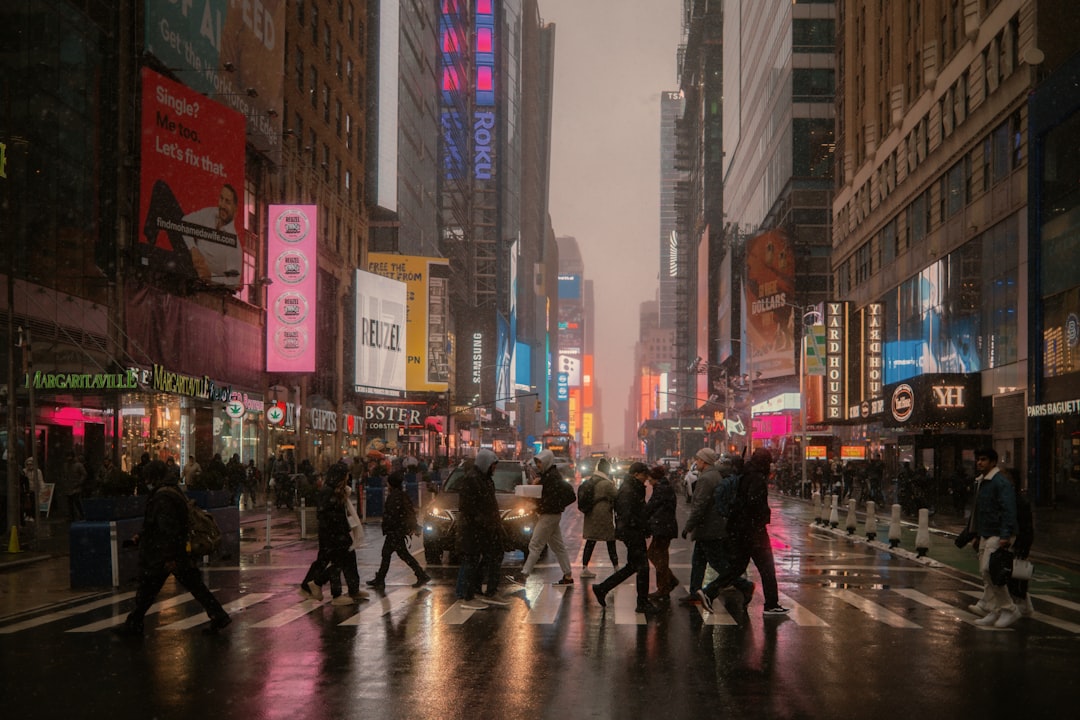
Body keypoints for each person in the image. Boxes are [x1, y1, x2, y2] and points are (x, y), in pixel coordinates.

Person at [113, 460, 230, 636]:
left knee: (150, 589)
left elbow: (167, 528)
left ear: (154, 477)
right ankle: (218, 615)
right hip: (173, 551)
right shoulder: (172, 490)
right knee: (191, 586)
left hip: (165, 553)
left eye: (148, 477)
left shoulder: (163, 496)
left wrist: (170, 557)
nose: (146, 482)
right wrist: (142, 536)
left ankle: (134, 623)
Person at [701, 448, 789, 615]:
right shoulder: (756, 478)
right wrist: (761, 518)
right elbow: (753, 503)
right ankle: (771, 604)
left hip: (741, 530)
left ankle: (709, 592)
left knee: (736, 568)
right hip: (753, 531)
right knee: (767, 568)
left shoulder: (746, 473)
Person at [964, 448, 1021, 628]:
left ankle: (1009, 609)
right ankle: (995, 610)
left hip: (997, 533)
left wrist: (1005, 535)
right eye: (978, 459)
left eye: (983, 460)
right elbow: (980, 511)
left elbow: (1008, 509)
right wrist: (976, 534)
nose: (979, 463)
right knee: (985, 572)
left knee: (992, 571)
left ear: (993, 462)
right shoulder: (982, 482)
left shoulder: (999, 483)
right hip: (986, 533)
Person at [299, 463, 368, 605]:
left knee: (348, 560)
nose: (347, 477)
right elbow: (325, 514)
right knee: (336, 563)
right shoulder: (328, 492)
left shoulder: (337, 491)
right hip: (333, 535)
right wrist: (338, 528)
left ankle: (353, 589)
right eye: (345, 475)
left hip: (340, 532)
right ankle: (327, 590)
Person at [592, 461, 654, 614]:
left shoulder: (633, 487)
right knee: (643, 568)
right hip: (632, 533)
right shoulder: (629, 490)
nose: (646, 479)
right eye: (644, 475)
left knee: (633, 566)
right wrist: (639, 528)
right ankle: (642, 603)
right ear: (636, 474)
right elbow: (627, 514)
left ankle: (602, 588)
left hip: (632, 531)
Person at [507, 449, 574, 586]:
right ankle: (568, 576)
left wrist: (538, 501)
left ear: (547, 462)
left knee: (535, 545)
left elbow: (547, 498)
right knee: (558, 547)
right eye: (537, 463)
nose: (538, 466)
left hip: (549, 515)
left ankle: (524, 575)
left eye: (540, 463)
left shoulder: (551, 478)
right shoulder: (549, 476)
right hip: (552, 514)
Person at [451, 450, 508, 609]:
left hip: (486, 527)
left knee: (489, 557)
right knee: (470, 560)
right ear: (486, 464)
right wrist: (484, 522)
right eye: (493, 466)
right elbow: (470, 507)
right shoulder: (472, 480)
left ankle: (482, 591)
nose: (494, 469)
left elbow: (488, 505)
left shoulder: (484, 479)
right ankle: (465, 595)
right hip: (474, 529)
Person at [678, 448, 731, 605]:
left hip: (708, 528)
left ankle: (744, 585)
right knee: (698, 562)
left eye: (699, 460)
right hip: (709, 527)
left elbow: (699, 506)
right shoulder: (714, 475)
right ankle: (695, 592)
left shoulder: (706, 479)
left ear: (704, 461)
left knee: (716, 563)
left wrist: (688, 527)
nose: (696, 462)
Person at [368, 468, 431, 590]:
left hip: (395, 532)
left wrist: (391, 527)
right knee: (394, 554)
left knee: (394, 554)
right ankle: (381, 578)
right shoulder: (400, 495)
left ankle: (420, 575)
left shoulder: (395, 497)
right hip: (397, 531)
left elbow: (394, 515)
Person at [578, 458, 619, 579]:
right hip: (603, 515)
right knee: (610, 540)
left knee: (590, 541)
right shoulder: (607, 484)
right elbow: (617, 495)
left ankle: (584, 567)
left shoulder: (591, 480)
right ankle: (616, 567)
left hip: (591, 514)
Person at [645, 464, 679, 599]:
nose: (649, 482)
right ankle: (668, 581)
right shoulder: (665, 487)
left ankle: (664, 586)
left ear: (655, 479)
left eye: (650, 480)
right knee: (659, 555)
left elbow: (651, 507)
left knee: (657, 556)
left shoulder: (661, 489)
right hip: (665, 527)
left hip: (663, 528)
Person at [1005, 470, 1035, 617]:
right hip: (1017, 539)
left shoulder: (1018, 501)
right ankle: (1023, 603)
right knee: (1014, 572)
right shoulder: (1012, 499)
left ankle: (1021, 602)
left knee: (1016, 572)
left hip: (1019, 540)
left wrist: (1021, 544)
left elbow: (1024, 526)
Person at [65, 452, 88, 521]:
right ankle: (73, 516)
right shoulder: (67, 465)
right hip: (70, 486)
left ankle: (81, 515)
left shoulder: (78, 465)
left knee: (77, 502)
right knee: (71, 503)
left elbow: (84, 474)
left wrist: (79, 482)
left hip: (76, 487)